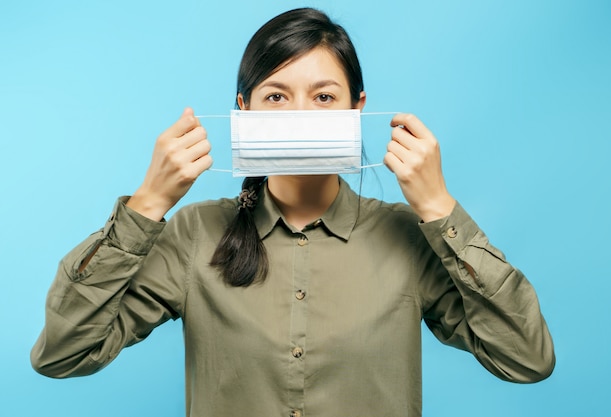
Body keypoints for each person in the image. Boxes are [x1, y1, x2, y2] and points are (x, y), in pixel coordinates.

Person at [31, 7, 555, 417]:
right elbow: (63, 353)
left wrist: (440, 208)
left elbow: (527, 359)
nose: (300, 114)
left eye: (324, 97)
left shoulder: (405, 236)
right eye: (276, 96)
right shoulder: (196, 234)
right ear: (244, 111)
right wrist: (147, 204)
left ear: (357, 107)